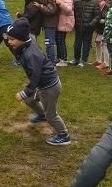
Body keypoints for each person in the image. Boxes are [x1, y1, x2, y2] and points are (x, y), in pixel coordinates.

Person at [8, 17, 71, 146]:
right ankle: (41, 115)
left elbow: (36, 76)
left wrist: (25, 92)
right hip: (42, 85)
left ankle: (64, 135)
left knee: (51, 115)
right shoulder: (27, 44)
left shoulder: (30, 54)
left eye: (11, 39)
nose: (9, 42)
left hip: (49, 87)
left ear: (21, 39)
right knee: (30, 100)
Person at [69, 0, 101, 67]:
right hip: (78, 27)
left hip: (88, 29)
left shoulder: (94, 3)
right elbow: (73, 13)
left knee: (86, 45)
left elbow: (97, 15)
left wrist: (91, 24)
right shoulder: (77, 2)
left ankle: (83, 60)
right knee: (77, 45)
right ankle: (76, 59)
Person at [15, 0, 44, 66]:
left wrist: (19, 15)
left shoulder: (33, 4)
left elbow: (29, 16)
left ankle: (33, 60)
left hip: (32, 27)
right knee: (30, 44)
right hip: (33, 27)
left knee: (31, 45)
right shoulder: (35, 2)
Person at [34, 0, 59, 64]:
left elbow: (50, 11)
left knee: (49, 43)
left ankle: (51, 61)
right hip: (48, 24)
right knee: (48, 43)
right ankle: (50, 60)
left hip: (50, 25)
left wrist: (40, 6)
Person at [55, 0, 77, 67]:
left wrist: (60, 3)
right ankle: (59, 57)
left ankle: (63, 59)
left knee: (61, 41)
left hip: (64, 23)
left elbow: (68, 9)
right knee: (58, 40)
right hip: (60, 22)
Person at [91, 0, 110, 70]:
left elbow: (107, 17)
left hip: (105, 28)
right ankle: (98, 59)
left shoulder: (106, 5)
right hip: (99, 28)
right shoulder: (96, 4)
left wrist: (101, 20)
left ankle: (106, 63)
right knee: (97, 43)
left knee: (104, 45)